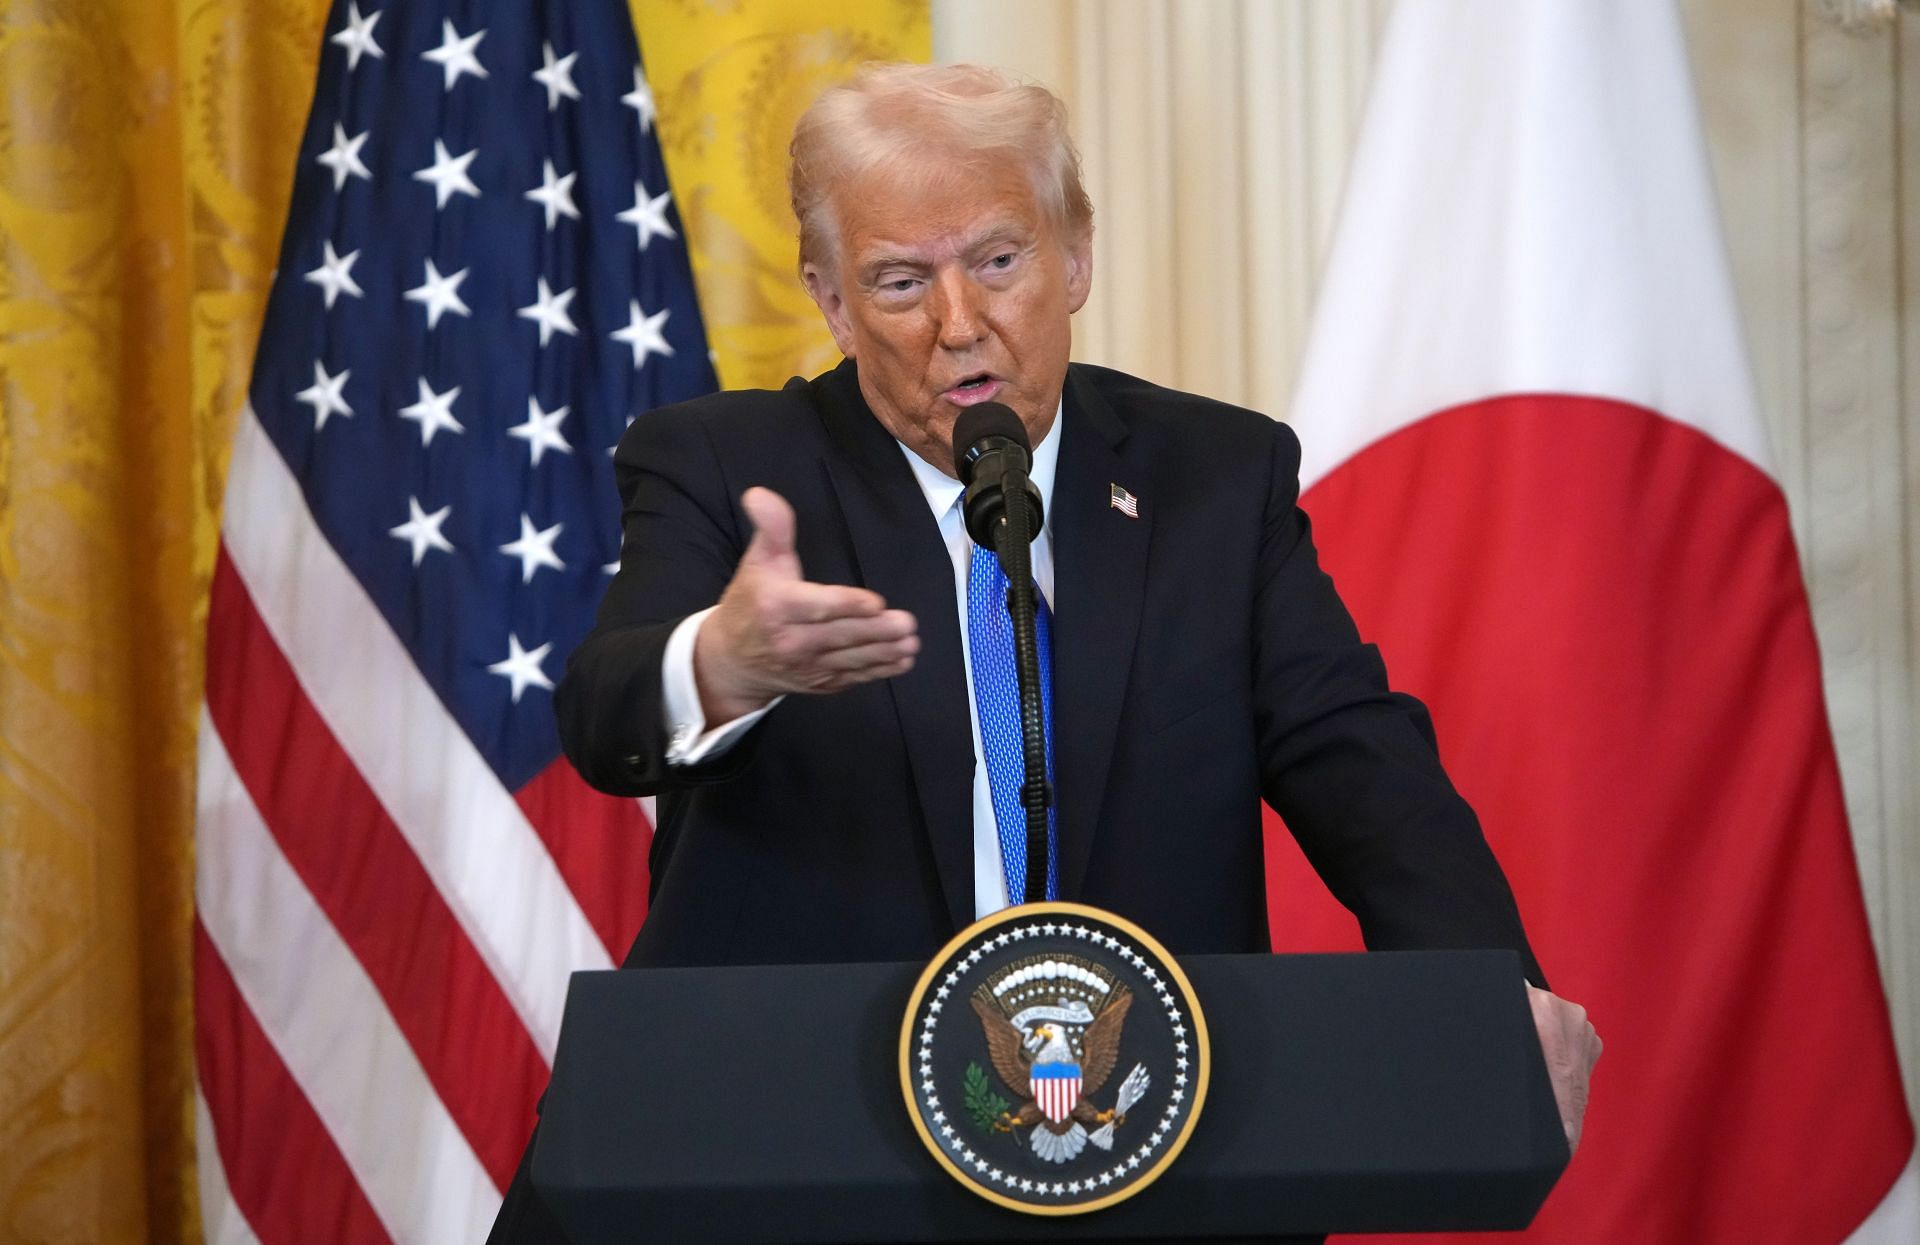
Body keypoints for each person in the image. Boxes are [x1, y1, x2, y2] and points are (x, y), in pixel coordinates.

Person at [491, 62, 1598, 1241]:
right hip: (786, 1147)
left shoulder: (1215, 477)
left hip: (1138, 1138)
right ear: (829, 299)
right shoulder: (723, 464)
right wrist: (720, 663)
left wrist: (1492, 993)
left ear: (1076, 259)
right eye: (900, 280)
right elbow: (607, 714)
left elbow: (1360, 761)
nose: (959, 323)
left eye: (1000, 262)